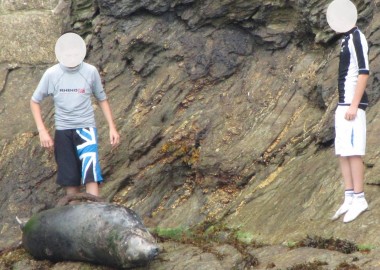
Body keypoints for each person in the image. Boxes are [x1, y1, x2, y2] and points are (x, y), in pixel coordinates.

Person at [30, 32, 120, 197]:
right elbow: (35, 101)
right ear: (61, 54)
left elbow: (102, 99)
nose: (71, 57)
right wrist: (42, 131)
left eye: (74, 53)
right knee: (70, 179)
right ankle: (75, 217)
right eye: (68, 53)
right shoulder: (52, 74)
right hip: (63, 131)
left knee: (90, 174)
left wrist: (112, 128)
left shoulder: (90, 72)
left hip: (86, 129)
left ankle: (94, 214)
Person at [330, 24, 370, 223]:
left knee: (354, 151)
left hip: (353, 105)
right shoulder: (345, 40)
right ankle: (349, 196)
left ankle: (360, 198)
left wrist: (354, 105)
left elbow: (363, 72)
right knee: (343, 151)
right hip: (342, 104)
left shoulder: (357, 37)